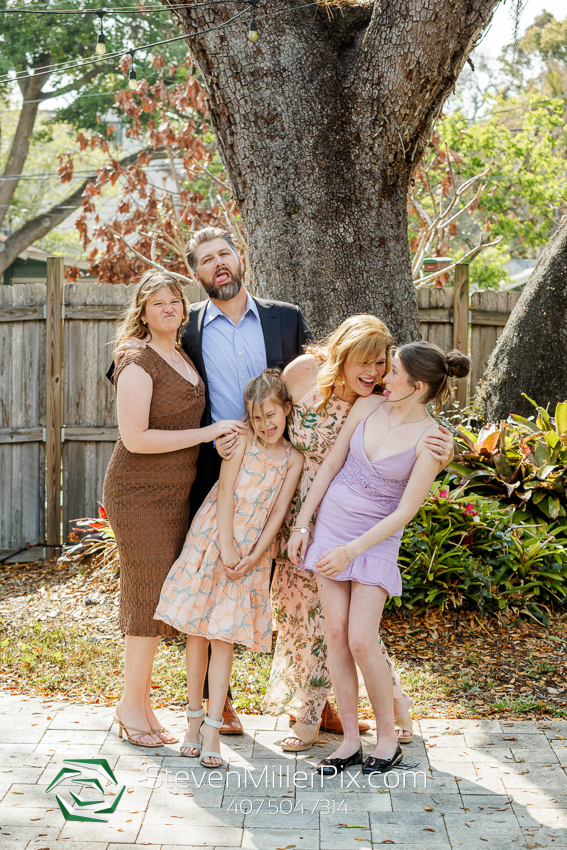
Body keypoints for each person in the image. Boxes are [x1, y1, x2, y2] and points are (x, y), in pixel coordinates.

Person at [110, 226, 313, 734]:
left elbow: (319, 383)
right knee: (204, 590)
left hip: (280, 475)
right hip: (205, 477)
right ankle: (212, 707)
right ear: (197, 274)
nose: (218, 263)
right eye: (206, 259)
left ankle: (312, 697)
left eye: (225, 253)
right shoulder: (186, 328)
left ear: (240, 258)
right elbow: (132, 373)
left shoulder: (286, 319)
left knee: (289, 586)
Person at [263, 317, 455, 751]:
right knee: (305, 617)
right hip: (299, 503)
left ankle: (380, 711)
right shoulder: (305, 374)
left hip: (361, 526)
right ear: (342, 355)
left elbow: (418, 417)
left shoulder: (377, 396)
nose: (375, 373)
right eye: (365, 363)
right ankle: (319, 711)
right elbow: (266, 416)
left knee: (357, 633)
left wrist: (450, 448)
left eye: (382, 364)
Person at [103, 271, 246, 748]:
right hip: (138, 493)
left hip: (174, 493)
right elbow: (135, 438)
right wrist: (208, 433)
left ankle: (141, 705)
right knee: (146, 596)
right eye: (157, 303)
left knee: (158, 597)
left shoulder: (181, 353)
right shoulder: (136, 359)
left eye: (175, 301)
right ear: (142, 313)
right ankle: (129, 706)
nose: (169, 308)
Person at [154, 370, 303, 766]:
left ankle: (213, 730)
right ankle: (192, 722)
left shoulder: (293, 459)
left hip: (252, 554)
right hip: (212, 541)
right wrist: (227, 546)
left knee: (223, 638)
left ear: (287, 409)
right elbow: (223, 493)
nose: (265, 424)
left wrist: (254, 555)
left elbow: (279, 512)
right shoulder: (241, 443)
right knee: (197, 633)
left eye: (271, 415)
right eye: (257, 417)